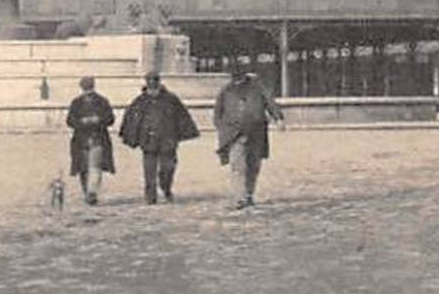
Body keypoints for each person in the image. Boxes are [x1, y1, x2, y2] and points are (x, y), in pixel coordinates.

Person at [119, 71, 200, 204]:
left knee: (168, 168)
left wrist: (184, 134)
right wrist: (131, 136)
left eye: (155, 81)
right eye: (149, 82)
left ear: (159, 82)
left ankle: (166, 187)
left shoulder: (171, 99)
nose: (152, 84)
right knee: (149, 170)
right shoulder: (140, 101)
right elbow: (131, 119)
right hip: (148, 140)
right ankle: (150, 195)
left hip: (167, 140)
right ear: (146, 83)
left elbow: (182, 117)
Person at [213, 61, 284, 210]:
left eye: (239, 76)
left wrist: (278, 118)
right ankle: (240, 197)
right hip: (234, 135)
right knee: (237, 165)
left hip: (256, 133)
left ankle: (249, 194)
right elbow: (217, 112)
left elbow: (270, 102)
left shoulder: (257, 87)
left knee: (253, 165)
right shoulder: (226, 90)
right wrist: (223, 129)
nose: (237, 79)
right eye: (234, 76)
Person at [65, 75, 116, 206]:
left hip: (95, 138)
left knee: (93, 166)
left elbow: (109, 118)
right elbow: (70, 121)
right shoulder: (79, 102)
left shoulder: (98, 101)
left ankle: (91, 192)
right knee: (87, 167)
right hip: (83, 139)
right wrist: (83, 121)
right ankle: (89, 191)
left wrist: (97, 120)